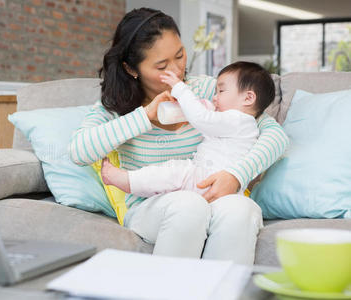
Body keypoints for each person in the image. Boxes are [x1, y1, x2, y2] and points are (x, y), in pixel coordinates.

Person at [69, 8, 289, 265]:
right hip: (151, 207)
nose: (177, 70)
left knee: (242, 209)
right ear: (132, 69)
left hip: (210, 197)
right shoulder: (116, 105)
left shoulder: (206, 90)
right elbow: (79, 152)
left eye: (180, 55)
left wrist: (237, 175)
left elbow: (275, 136)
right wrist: (145, 116)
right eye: (162, 66)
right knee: (188, 205)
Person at [100, 61, 276, 199]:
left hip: (206, 178)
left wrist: (180, 89)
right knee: (169, 177)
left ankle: (128, 180)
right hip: (210, 182)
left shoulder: (239, 120)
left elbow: (202, 119)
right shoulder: (236, 123)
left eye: (221, 91)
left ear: (248, 98)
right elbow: (207, 122)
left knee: (172, 171)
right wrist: (197, 107)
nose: (214, 97)